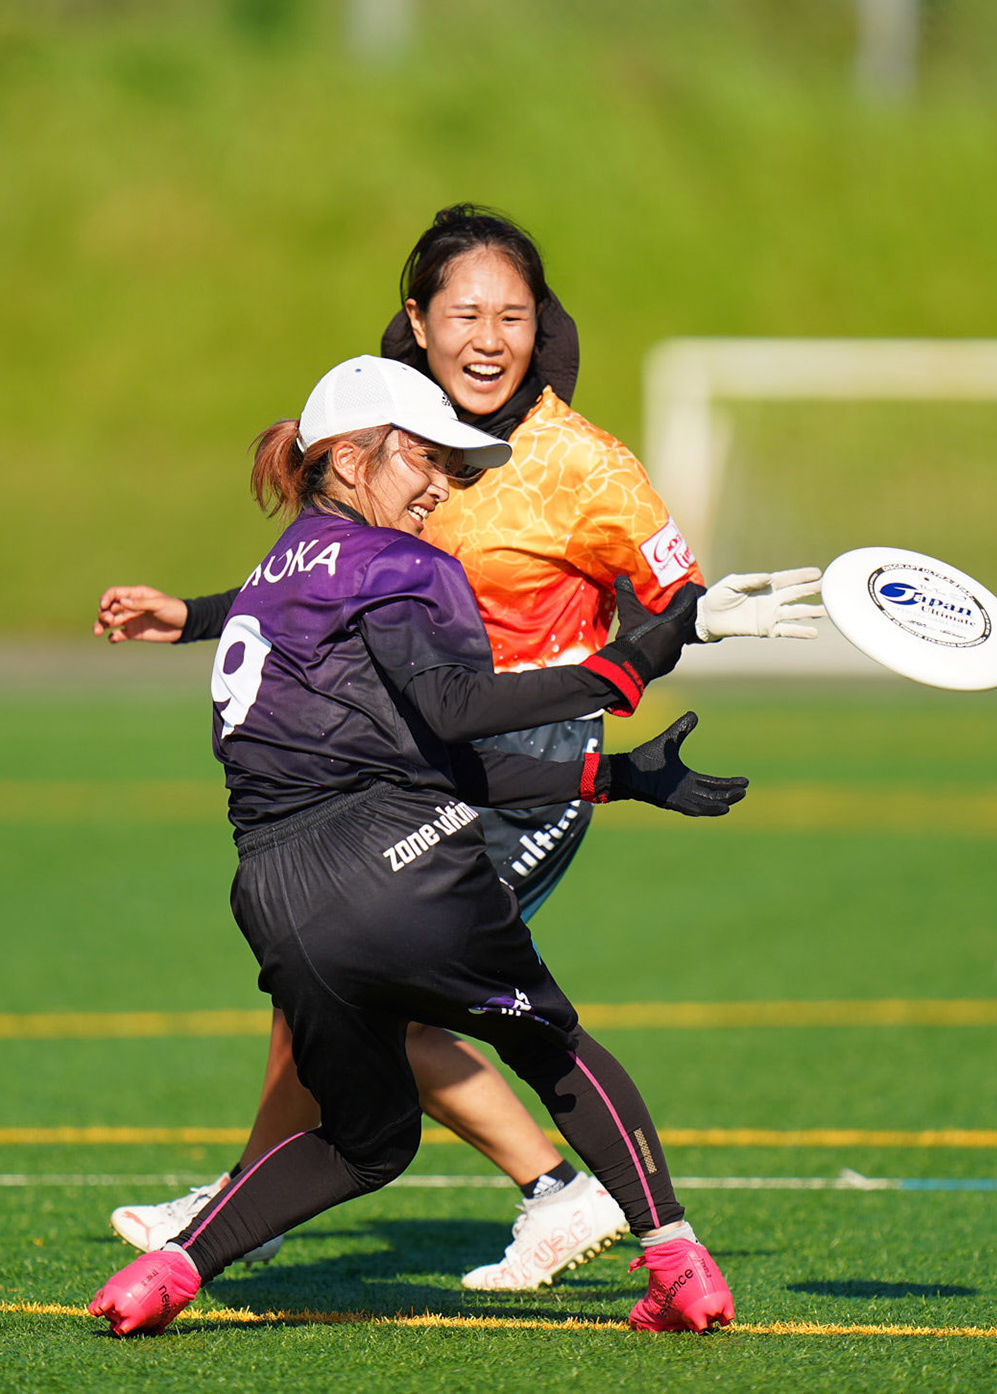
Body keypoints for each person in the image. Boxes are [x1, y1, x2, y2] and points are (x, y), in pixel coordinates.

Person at [94, 206, 821, 1290]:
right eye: (466, 314)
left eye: (513, 316)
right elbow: (326, 595)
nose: (489, 339)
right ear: (418, 321)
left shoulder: (581, 464)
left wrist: (670, 639)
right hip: (411, 745)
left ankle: (549, 1188)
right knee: (333, 990)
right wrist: (195, 615)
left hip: (519, 746)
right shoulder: (397, 437)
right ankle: (264, 1199)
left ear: (542, 327)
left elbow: (680, 595)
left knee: (385, 980)